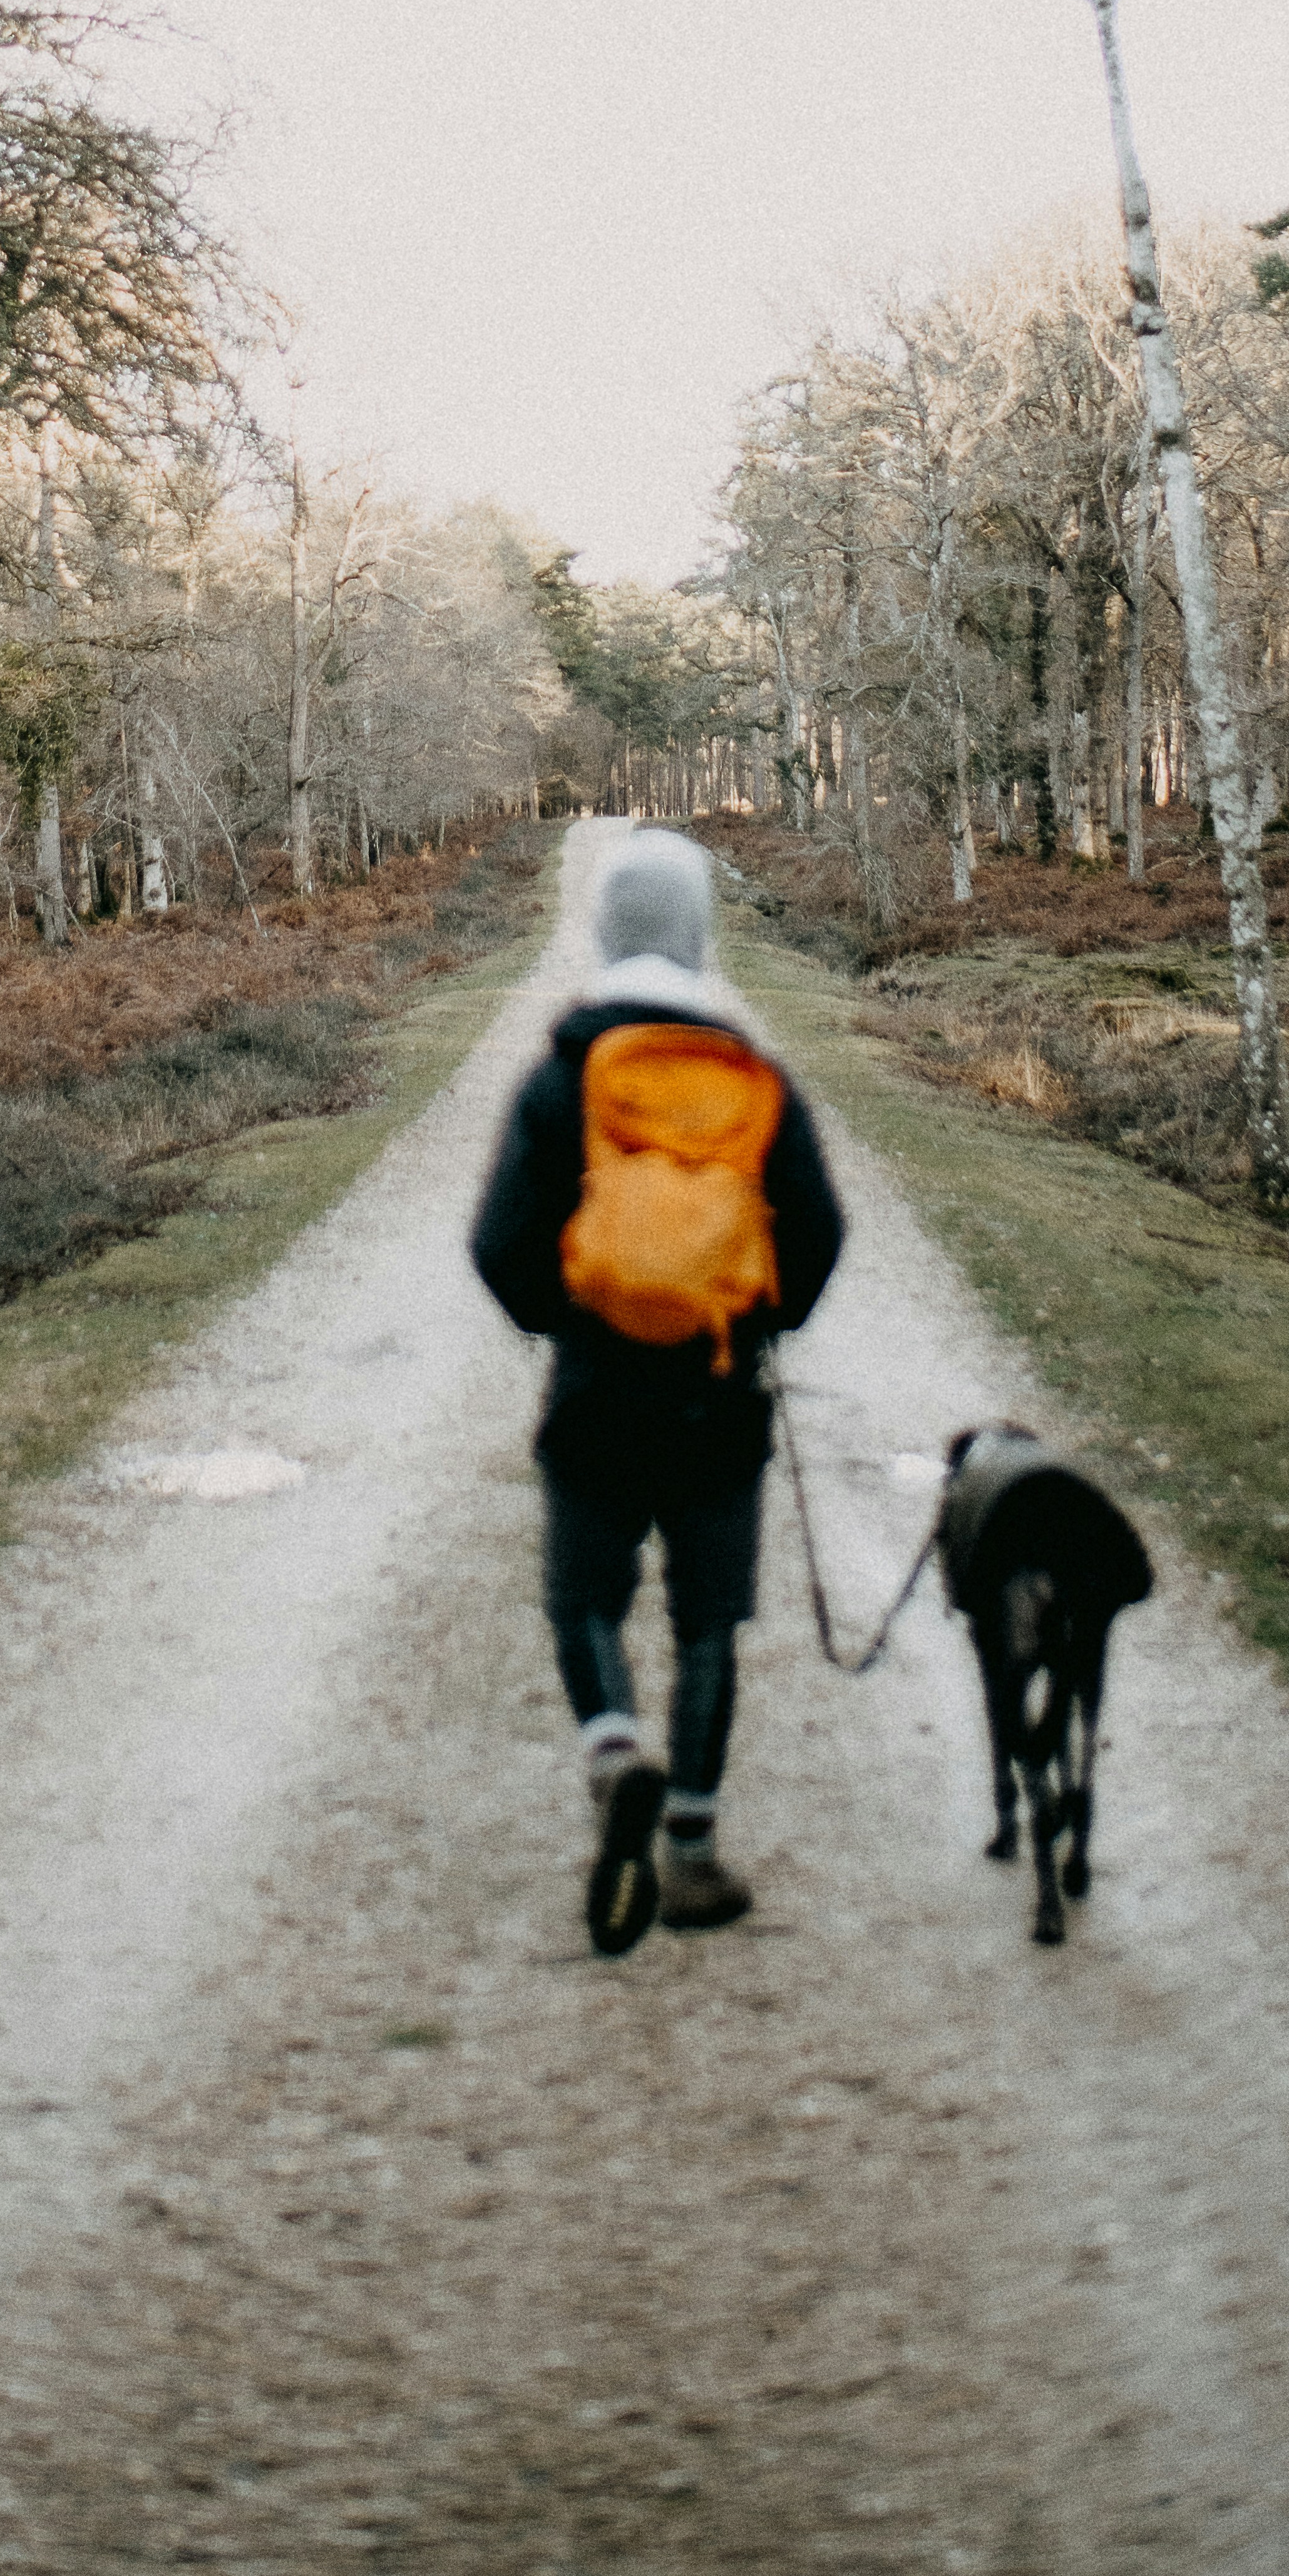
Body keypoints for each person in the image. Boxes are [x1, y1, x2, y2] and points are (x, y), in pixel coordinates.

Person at [470, 828, 843, 1950]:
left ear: (603, 927)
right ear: (698, 933)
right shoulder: (753, 1083)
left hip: (595, 1386)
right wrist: (757, 1315)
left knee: (583, 1598)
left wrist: (567, 1316)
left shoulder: (566, 1075)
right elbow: (819, 1234)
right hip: (719, 1389)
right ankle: (689, 1850)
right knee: (709, 1620)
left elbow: (499, 1246)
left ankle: (615, 1750)